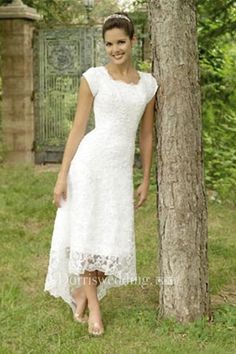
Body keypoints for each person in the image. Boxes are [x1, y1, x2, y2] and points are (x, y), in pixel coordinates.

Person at [44, 11, 159, 336]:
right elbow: (78, 129)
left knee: (113, 242)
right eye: (109, 44)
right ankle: (93, 309)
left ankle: (83, 292)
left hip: (119, 171)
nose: (115, 49)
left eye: (121, 42)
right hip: (89, 165)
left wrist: (146, 177)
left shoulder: (148, 85)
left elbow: (146, 135)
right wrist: (61, 175)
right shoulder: (93, 77)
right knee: (87, 236)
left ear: (133, 41)